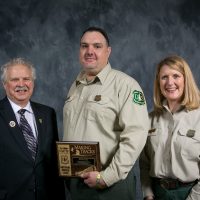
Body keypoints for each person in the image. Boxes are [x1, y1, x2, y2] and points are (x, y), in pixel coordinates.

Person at [63, 26, 149, 200]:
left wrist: (107, 177)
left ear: (108, 51)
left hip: (110, 186)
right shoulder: (75, 87)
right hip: (78, 184)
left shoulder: (125, 85)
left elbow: (136, 135)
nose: (89, 51)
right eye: (84, 46)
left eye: (97, 46)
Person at [0, 58, 66, 200]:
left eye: (26, 79)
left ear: (33, 83)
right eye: (15, 80)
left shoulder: (47, 113)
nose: (21, 84)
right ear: (4, 84)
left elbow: (54, 162)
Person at [140, 55, 200, 200]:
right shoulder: (150, 119)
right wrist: (148, 195)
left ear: (186, 80)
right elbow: (144, 164)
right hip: (157, 193)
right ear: (158, 83)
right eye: (164, 77)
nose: (170, 82)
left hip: (191, 193)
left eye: (176, 76)